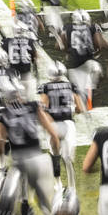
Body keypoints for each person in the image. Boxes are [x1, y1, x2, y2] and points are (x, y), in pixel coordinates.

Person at [0, 78, 60, 214]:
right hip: (39, 160)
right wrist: (56, 159)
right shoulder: (34, 106)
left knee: (18, 198)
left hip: (19, 161)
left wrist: (2, 158)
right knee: (43, 199)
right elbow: (53, 133)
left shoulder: (2, 113)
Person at [39, 60, 83, 188]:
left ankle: (58, 184)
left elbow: (43, 108)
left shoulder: (45, 87)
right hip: (68, 124)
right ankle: (72, 187)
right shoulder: (71, 86)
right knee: (68, 158)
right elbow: (79, 108)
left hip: (53, 124)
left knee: (55, 155)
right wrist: (72, 111)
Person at [58, 9, 108, 116]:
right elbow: (99, 44)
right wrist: (99, 50)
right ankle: (92, 93)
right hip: (90, 64)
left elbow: (60, 45)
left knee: (79, 93)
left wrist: (67, 50)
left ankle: (82, 109)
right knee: (94, 73)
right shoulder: (92, 26)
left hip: (74, 64)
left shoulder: (67, 27)